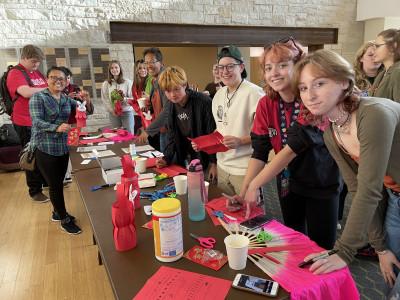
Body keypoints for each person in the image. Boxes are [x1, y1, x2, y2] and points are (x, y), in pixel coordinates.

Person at [293, 49, 400, 297]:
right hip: (395, 196)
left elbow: (369, 190)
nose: (310, 95)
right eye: (303, 87)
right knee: (392, 273)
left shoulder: (373, 114)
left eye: (319, 83)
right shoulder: (332, 132)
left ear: (343, 81)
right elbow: (356, 188)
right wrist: (380, 248)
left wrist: (344, 250)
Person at [238, 38, 341, 249]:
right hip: (287, 182)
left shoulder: (311, 98)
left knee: (321, 246)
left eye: (283, 65)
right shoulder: (266, 103)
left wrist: (256, 185)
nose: (274, 73)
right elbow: (259, 151)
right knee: (294, 237)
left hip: (321, 182)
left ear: (299, 66)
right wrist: (244, 190)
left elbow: (290, 150)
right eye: (268, 68)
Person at [30, 66, 92, 234]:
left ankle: (58, 213)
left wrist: (87, 100)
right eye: (53, 78)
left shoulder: (65, 99)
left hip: (63, 147)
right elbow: (36, 122)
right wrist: (56, 127)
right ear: (47, 79)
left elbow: (85, 110)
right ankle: (64, 219)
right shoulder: (38, 97)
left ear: (66, 82)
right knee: (55, 185)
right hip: (45, 148)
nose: (57, 81)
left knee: (58, 182)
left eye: (61, 79)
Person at [212, 45, 264, 195]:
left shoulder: (255, 94)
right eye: (221, 67)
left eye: (230, 66)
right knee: (226, 214)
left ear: (241, 67)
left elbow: (264, 135)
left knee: (249, 216)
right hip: (223, 165)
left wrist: (240, 141)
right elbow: (221, 128)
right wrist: (207, 141)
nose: (225, 71)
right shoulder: (218, 95)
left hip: (245, 169)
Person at [155, 66, 217, 179]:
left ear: (185, 85)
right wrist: (166, 158)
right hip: (184, 156)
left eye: (176, 89)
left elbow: (211, 133)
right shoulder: (170, 105)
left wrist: (214, 163)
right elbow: (171, 135)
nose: (173, 95)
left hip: (205, 158)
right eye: (168, 91)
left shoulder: (203, 102)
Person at [6, 44, 48, 202]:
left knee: (43, 154)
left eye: (38, 62)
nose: (37, 64)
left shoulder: (36, 73)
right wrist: (49, 89)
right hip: (24, 121)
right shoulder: (15, 73)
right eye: (33, 61)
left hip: (40, 121)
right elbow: (26, 92)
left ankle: (44, 182)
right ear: (23, 58)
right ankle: (34, 190)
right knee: (30, 156)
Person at [136, 48, 170, 152]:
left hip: (170, 130)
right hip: (162, 129)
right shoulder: (155, 80)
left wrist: (148, 131)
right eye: (146, 62)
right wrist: (148, 107)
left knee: (170, 164)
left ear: (161, 63)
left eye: (152, 62)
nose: (148, 65)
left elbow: (167, 110)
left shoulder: (166, 80)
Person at [101, 60, 134, 133]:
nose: (114, 70)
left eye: (116, 67)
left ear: (120, 69)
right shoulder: (106, 84)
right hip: (113, 114)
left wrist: (123, 99)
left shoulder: (128, 82)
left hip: (126, 112)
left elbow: (133, 98)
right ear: (109, 70)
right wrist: (111, 110)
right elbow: (105, 99)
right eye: (112, 68)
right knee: (116, 135)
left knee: (129, 134)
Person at [370, 28, 400, 102]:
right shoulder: (382, 74)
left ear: (393, 46)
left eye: (377, 46)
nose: (373, 51)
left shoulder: (398, 73)